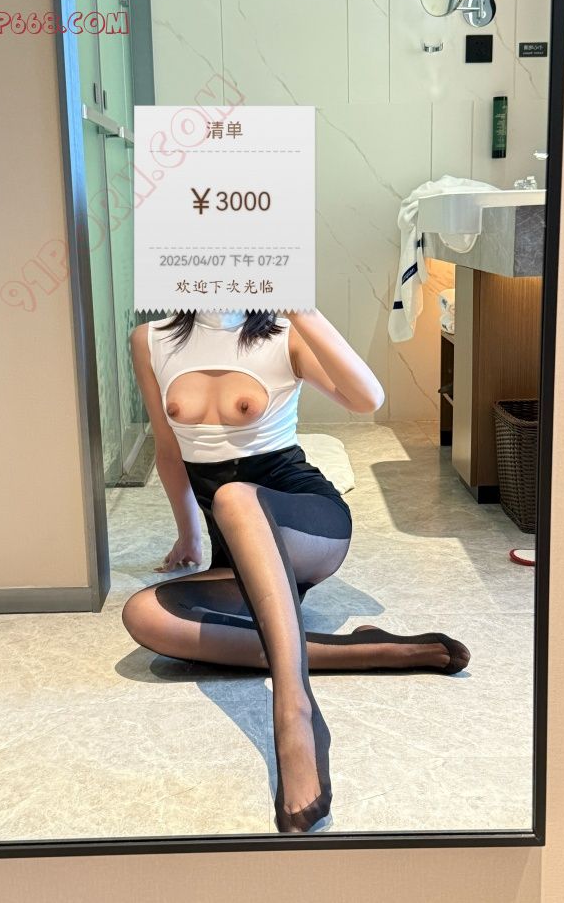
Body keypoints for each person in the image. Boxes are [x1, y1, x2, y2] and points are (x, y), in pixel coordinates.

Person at [122, 308, 470, 834]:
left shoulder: (286, 332)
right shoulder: (150, 339)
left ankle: (295, 715)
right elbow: (169, 450)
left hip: (308, 526)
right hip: (239, 550)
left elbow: (367, 399)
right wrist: (190, 534)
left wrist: (300, 307)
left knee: (235, 496)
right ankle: (366, 650)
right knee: (145, 615)